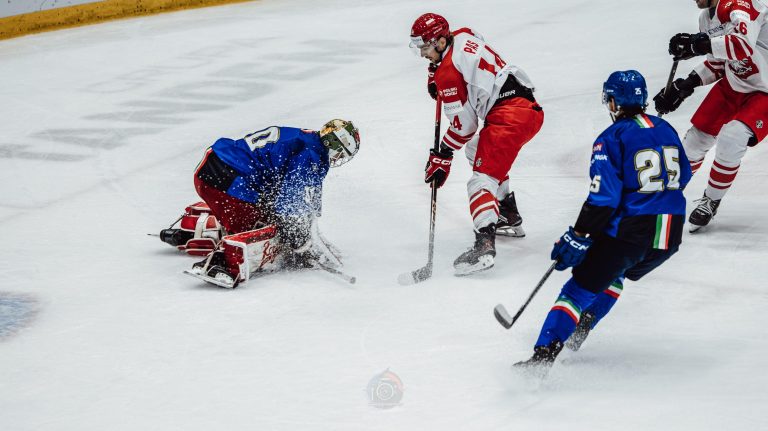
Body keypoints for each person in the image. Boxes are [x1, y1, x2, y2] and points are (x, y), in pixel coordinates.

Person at [515, 71, 692, 374]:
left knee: (577, 290)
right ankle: (581, 328)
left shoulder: (611, 138)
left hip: (632, 232)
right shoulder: (667, 129)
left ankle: (543, 357)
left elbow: (604, 197)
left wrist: (578, 235)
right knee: (615, 271)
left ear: (613, 101)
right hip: (670, 235)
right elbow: (684, 176)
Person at [409, 13, 544, 276]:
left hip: (510, 116)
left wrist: (443, 153)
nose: (423, 53)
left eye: (425, 46)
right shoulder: (461, 34)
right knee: (476, 150)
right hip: (525, 105)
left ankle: (484, 244)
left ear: (439, 41)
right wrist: (434, 73)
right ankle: (506, 213)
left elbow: (465, 126)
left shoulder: (448, 74)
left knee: (481, 181)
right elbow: (474, 39)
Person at [158, 119, 360, 288]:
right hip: (227, 181)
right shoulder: (311, 155)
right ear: (333, 143)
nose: (339, 159)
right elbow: (291, 201)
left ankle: (207, 227)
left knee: (266, 213)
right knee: (264, 226)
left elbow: (296, 197)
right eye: (340, 153)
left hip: (213, 171)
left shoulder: (307, 140)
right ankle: (221, 262)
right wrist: (299, 243)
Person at [653, 0, 767, 232]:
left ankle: (711, 199)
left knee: (733, 136)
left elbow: (742, 46)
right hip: (735, 83)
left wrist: (698, 44)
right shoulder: (707, 17)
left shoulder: (742, 5)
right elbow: (719, 62)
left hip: (765, 91)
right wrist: (685, 85)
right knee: (695, 140)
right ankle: (665, 197)